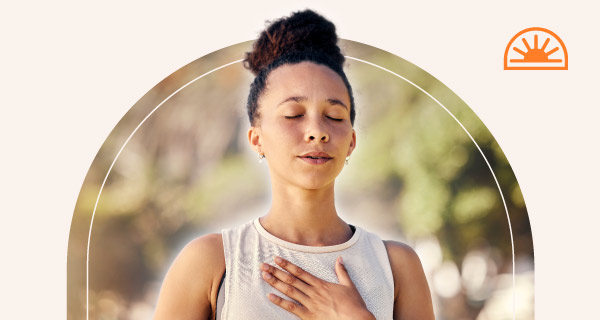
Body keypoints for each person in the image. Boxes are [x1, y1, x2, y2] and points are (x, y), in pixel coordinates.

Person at [153, 9, 434, 320]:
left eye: (335, 116)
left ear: (351, 141)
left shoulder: (396, 266)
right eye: (293, 114)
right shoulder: (212, 262)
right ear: (256, 139)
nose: (317, 130)